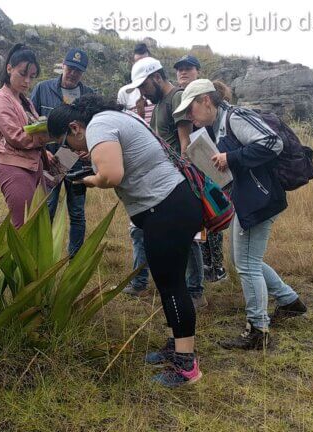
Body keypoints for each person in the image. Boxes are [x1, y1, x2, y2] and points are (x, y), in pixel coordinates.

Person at [47, 95, 203, 388]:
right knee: (168, 281)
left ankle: (186, 366)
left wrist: (88, 179)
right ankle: (175, 346)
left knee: (172, 285)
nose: (70, 149)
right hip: (172, 204)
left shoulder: (99, 126)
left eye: (66, 143)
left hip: (166, 207)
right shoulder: (115, 117)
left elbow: (111, 175)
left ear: (74, 128)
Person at [173, 79, 308, 350]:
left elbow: (272, 142)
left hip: (258, 200)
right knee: (244, 259)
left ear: (206, 101)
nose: (190, 116)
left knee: (246, 264)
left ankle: (258, 330)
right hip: (248, 199)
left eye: (192, 109)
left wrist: (229, 158)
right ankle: (290, 301)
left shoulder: (236, 116)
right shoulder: (219, 124)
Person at [121, 57, 207, 309]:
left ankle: (195, 290)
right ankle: (140, 281)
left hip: (178, 181)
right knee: (139, 230)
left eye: (144, 86)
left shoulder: (176, 98)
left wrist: (188, 183)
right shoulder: (158, 103)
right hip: (159, 179)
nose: (142, 93)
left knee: (188, 235)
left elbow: (185, 143)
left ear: (157, 78)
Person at [31, 48, 95, 257]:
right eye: (70, 68)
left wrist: (90, 149)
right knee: (47, 207)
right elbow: (31, 122)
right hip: (52, 159)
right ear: (63, 65)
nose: (73, 74)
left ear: (82, 72)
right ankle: (43, 254)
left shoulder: (89, 95)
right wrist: (41, 150)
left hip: (76, 160)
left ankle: (73, 259)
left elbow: (96, 127)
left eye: (78, 70)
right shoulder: (43, 88)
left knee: (76, 212)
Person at [0, 44, 54, 228]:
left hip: (33, 166)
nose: (27, 81)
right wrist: (48, 135)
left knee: (36, 223)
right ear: (9, 68)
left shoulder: (25, 100)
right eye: (22, 74)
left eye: (31, 77)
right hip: (14, 167)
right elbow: (15, 135)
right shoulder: (0, 98)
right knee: (22, 226)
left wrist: (44, 152)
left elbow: (30, 130)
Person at [173, 55, 229, 284]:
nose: (183, 73)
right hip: (198, 163)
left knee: (214, 211)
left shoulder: (208, 102)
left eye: (188, 69)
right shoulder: (183, 99)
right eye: (179, 69)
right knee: (205, 215)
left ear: (198, 72)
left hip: (214, 162)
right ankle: (207, 264)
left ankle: (217, 266)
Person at [116, 43, 155, 297]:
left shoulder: (161, 94)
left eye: (143, 61)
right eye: (135, 61)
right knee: (137, 227)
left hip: (158, 163)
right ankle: (140, 281)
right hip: (135, 165)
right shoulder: (125, 93)